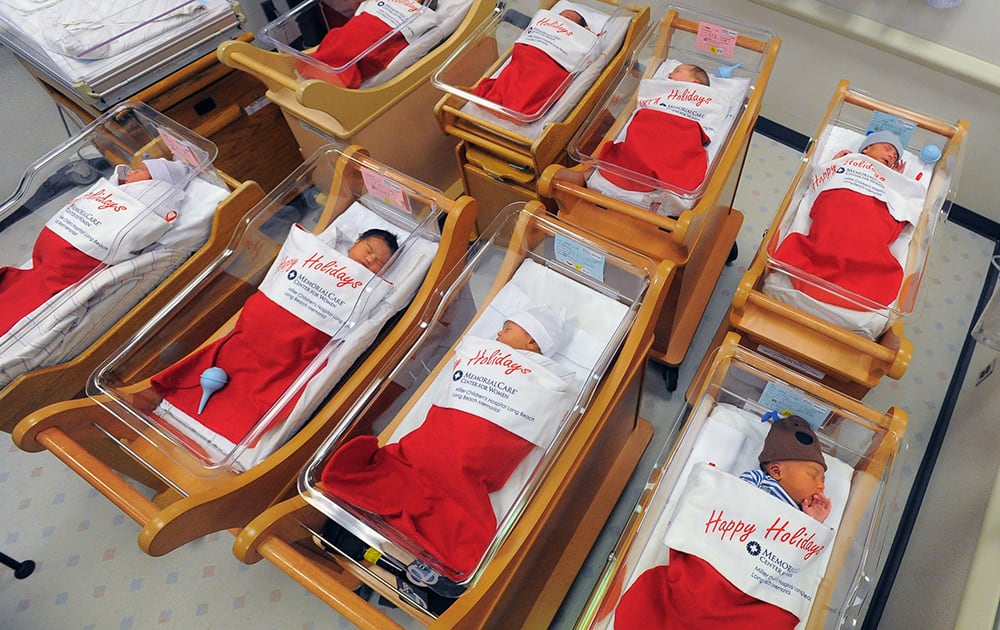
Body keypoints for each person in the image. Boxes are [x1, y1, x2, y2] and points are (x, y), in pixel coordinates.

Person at [318, 302, 577, 582]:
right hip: (424, 448)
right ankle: (377, 558)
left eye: (508, 329)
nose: (498, 335)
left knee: (447, 494)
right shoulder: (482, 356)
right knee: (411, 465)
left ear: (532, 340)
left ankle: (394, 567)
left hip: (475, 455)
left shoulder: (549, 377)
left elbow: (553, 402)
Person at [0, 157, 191, 335]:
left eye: (140, 170)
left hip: (75, 256)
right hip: (59, 240)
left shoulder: (152, 201)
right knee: (31, 280)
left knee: (36, 289)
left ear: (157, 184)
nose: (130, 172)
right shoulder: (115, 189)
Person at [770, 129, 922, 311]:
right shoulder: (848, 162)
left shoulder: (890, 179)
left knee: (866, 238)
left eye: (895, 156)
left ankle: (859, 266)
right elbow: (820, 182)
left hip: (872, 217)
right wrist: (834, 162)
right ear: (866, 150)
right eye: (887, 148)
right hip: (838, 209)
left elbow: (903, 206)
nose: (891, 155)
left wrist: (896, 179)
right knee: (832, 232)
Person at [594, 62, 719, 195]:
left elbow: (705, 125)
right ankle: (640, 161)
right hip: (652, 121)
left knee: (673, 148)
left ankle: (653, 167)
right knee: (642, 129)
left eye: (677, 71)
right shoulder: (662, 90)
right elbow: (646, 104)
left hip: (682, 128)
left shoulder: (703, 101)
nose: (669, 74)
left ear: (694, 83)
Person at [471, 5, 600, 118]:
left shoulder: (581, 38)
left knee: (543, 76)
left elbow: (590, 49)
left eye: (568, 18)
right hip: (531, 51)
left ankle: (519, 106)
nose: (561, 20)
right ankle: (500, 98)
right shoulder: (545, 25)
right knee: (515, 71)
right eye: (559, 16)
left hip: (554, 61)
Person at [298, 0, 440, 88]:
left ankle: (334, 73)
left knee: (363, 48)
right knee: (340, 36)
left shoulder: (422, 12)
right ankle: (323, 64)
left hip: (382, 30)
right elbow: (362, 13)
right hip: (364, 23)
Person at [740, 414, 831, 523]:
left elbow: (803, 536)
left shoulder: (802, 513)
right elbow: (735, 492)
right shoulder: (760, 481)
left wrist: (814, 520)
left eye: (822, 480)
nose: (822, 486)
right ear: (776, 471)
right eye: (812, 475)